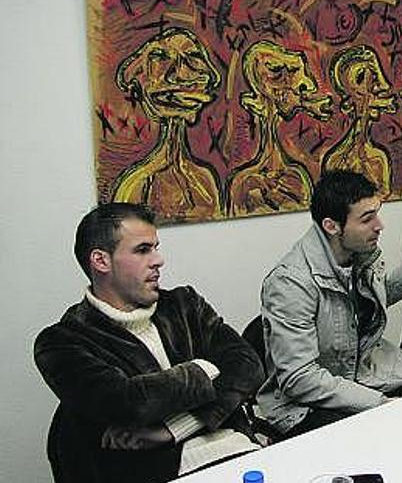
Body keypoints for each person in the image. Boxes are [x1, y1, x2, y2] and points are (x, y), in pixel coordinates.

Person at [33, 203, 263, 483]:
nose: (159, 260)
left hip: (240, 452)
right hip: (162, 472)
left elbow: (248, 366)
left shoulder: (184, 304)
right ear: (101, 261)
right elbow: (128, 402)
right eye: (143, 250)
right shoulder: (61, 342)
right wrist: (205, 368)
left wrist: (173, 428)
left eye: (156, 247)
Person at [258, 170, 402, 437]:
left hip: (359, 375)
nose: (379, 225)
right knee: (390, 436)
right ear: (332, 226)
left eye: (376, 212)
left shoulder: (358, 253)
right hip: (303, 404)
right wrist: (377, 403)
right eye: (367, 219)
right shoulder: (290, 284)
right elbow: (299, 379)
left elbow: (362, 308)